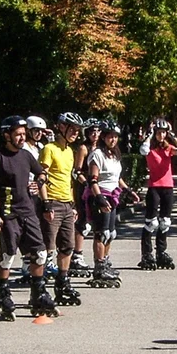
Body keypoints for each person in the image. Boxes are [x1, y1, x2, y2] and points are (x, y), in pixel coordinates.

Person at [0, 115, 58, 320]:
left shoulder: (26, 155)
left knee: (40, 254)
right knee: (8, 255)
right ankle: (3, 293)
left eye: (24, 134)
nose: (22, 138)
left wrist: (39, 183)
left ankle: (38, 293)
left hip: (28, 211)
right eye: (18, 134)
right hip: (9, 214)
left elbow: (42, 174)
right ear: (6, 135)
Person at [39, 112, 84, 307]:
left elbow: (69, 180)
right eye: (72, 129)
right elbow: (42, 176)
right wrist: (45, 203)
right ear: (61, 127)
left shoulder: (69, 152)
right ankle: (39, 288)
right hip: (53, 202)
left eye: (77, 130)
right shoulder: (49, 149)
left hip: (66, 203)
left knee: (67, 247)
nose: (75, 133)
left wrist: (73, 204)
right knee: (47, 249)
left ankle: (62, 283)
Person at [85, 120, 135, 288]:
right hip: (100, 195)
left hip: (113, 195)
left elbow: (116, 178)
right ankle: (98, 267)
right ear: (104, 137)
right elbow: (93, 179)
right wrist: (99, 198)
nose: (113, 140)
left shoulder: (114, 155)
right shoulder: (97, 154)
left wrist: (128, 190)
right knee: (101, 233)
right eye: (109, 137)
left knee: (111, 233)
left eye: (115, 137)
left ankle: (105, 263)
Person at [138, 118, 177, 270]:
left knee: (165, 222)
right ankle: (146, 253)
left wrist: (173, 136)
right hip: (154, 187)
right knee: (151, 222)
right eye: (159, 133)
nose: (161, 136)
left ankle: (161, 251)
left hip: (168, 187)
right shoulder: (150, 148)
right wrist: (149, 134)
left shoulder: (168, 148)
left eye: (163, 133)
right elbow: (143, 150)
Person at [69, 119, 100, 277]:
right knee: (83, 222)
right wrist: (87, 184)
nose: (95, 134)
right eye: (92, 131)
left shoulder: (101, 148)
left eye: (98, 131)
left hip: (98, 189)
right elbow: (76, 171)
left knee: (97, 224)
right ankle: (77, 255)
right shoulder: (83, 148)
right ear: (87, 133)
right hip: (85, 188)